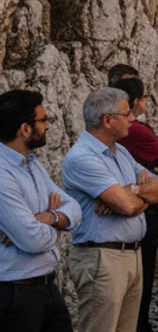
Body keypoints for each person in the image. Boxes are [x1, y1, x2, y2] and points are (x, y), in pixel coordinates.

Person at [63, 87, 158, 332]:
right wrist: (137, 194)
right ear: (107, 120)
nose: (133, 119)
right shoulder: (82, 157)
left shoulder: (120, 152)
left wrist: (131, 190)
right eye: (126, 113)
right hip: (103, 258)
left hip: (131, 254)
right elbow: (128, 207)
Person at [0, 90, 82, 332]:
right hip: (15, 295)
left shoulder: (32, 164)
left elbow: (74, 207)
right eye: (43, 120)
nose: (48, 125)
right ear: (25, 129)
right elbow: (32, 239)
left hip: (47, 288)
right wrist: (56, 230)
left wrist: (50, 217)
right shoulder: (3, 174)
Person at [112, 77, 158, 332]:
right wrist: (143, 192)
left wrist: (137, 191)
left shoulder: (124, 140)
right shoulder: (137, 130)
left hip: (140, 205)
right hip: (147, 212)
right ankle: (141, 324)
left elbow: (157, 186)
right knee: (143, 273)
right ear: (135, 101)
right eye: (144, 97)